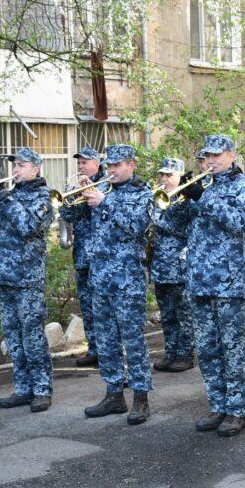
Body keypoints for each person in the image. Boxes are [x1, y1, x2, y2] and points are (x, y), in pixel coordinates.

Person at [158, 135, 245, 437]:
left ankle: (237, 410)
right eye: (205, 157)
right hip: (198, 280)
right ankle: (218, 405)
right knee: (208, 349)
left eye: (214, 156)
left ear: (231, 154)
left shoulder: (244, 186)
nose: (208, 162)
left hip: (227, 283)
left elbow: (239, 222)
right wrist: (179, 198)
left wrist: (204, 197)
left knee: (231, 349)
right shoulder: (204, 187)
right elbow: (175, 227)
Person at [0, 147, 55, 413]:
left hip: (27, 277)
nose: (15, 169)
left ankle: (41, 389)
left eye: (21, 165)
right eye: (14, 165)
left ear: (36, 168)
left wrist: (3, 198)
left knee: (32, 335)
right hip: (5, 276)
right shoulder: (10, 195)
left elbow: (28, 226)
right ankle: (22, 388)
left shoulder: (42, 197)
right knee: (14, 336)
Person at [80, 145, 155, 424]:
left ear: (132, 165)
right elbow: (73, 219)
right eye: (108, 164)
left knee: (132, 341)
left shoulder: (143, 194)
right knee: (106, 340)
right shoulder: (104, 190)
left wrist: (105, 202)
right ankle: (114, 394)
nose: (111, 169)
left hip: (127, 280)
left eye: (118, 165)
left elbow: (137, 226)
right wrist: (79, 195)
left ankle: (140, 398)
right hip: (99, 278)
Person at [149, 158, 195, 373]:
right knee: (167, 315)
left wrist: (155, 217)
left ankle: (186, 355)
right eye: (163, 175)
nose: (165, 179)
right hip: (160, 266)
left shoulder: (187, 200)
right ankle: (170, 353)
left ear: (180, 176)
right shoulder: (157, 198)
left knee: (183, 314)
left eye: (170, 175)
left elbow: (184, 230)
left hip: (179, 266)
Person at [60, 147, 103, 368]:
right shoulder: (77, 186)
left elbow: (104, 213)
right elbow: (67, 215)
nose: (81, 167)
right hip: (83, 255)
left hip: (102, 257)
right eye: (79, 163)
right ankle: (94, 348)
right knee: (86, 304)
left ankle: (107, 349)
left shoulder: (107, 184)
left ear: (97, 162)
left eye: (85, 162)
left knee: (102, 305)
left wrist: (92, 189)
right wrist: (75, 193)